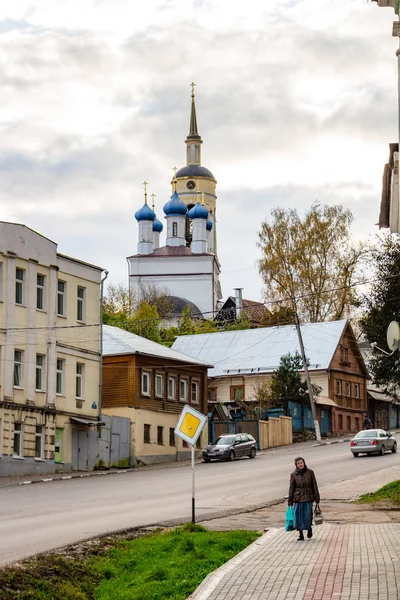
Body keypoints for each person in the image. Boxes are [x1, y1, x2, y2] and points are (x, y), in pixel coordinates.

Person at [288, 456, 320, 541]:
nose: (300, 464)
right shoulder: (293, 474)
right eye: (298, 463)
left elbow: (314, 485)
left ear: (304, 463)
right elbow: (291, 488)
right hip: (298, 499)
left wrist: (317, 498)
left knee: (307, 516)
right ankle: (301, 534)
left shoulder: (310, 472)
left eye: (301, 463)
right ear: (296, 465)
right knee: (298, 517)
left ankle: (309, 529)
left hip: (308, 497)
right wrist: (290, 502)